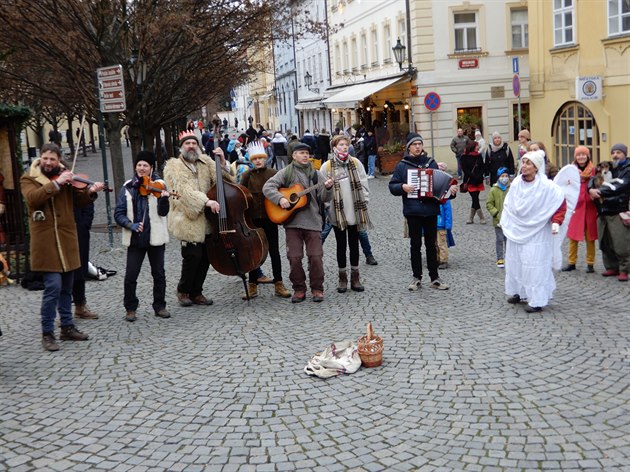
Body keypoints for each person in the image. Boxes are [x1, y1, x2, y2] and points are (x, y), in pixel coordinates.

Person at [20, 143, 105, 351]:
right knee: (53, 288)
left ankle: (67, 327)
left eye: (53, 159)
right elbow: (33, 199)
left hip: (66, 241)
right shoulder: (28, 178)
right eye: (45, 158)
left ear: (59, 160)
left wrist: (90, 192)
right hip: (46, 244)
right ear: (40, 158)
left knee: (67, 287)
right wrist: (56, 183)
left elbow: (78, 200)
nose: (48, 162)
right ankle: (47, 333)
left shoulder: (67, 178)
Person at [163, 130, 233, 307]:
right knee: (192, 256)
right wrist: (206, 201)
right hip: (187, 216)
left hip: (208, 218)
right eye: (188, 143)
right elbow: (183, 191)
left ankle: (197, 292)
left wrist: (223, 162)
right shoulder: (173, 166)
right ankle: (183, 290)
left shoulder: (206, 161)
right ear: (182, 147)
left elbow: (225, 180)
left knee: (206, 257)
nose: (191, 146)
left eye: (194, 143)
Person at [263, 143, 334, 303]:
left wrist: (329, 188)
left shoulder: (316, 175)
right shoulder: (286, 173)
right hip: (292, 223)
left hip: (313, 222)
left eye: (307, 153)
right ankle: (299, 289)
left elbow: (325, 198)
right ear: (294, 155)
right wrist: (280, 198)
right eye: (301, 153)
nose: (305, 156)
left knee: (316, 257)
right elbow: (268, 187)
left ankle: (317, 288)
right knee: (294, 258)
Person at [500, 150, 567, 313]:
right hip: (517, 230)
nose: (524, 166)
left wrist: (556, 222)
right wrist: (506, 220)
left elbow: (559, 202)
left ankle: (537, 300)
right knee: (515, 262)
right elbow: (509, 204)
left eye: (528, 163)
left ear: (536, 167)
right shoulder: (516, 183)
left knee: (534, 265)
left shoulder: (547, 186)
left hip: (537, 232)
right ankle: (518, 292)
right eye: (523, 162)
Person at [389, 134, 457, 291]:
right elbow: (393, 186)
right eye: (415, 144)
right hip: (413, 211)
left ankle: (435, 277)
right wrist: (402, 187)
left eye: (420, 144)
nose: (418, 147)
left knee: (431, 245)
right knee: (415, 245)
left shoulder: (430, 163)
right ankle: (416, 277)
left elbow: (441, 189)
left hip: (431, 210)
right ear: (409, 147)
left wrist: (451, 191)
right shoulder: (402, 166)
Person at [114, 151, 171, 322]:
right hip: (135, 238)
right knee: (131, 275)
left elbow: (164, 212)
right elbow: (119, 213)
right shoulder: (128, 187)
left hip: (155, 237)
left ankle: (160, 306)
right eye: (139, 165)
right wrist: (131, 225)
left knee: (159, 274)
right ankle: (130, 308)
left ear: (151, 168)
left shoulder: (159, 186)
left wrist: (164, 199)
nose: (142, 168)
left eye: (145, 165)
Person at [239, 142, 291, 299]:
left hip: (270, 218)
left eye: (260, 158)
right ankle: (252, 285)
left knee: (274, 251)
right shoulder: (246, 176)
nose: (258, 161)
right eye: (255, 159)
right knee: (253, 252)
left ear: (265, 158)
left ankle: (279, 283)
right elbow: (242, 195)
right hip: (253, 220)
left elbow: (283, 191)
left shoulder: (273, 173)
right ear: (251, 160)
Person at [321, 135, 371, 293]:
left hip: (355, 210)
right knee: (341, 245)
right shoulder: (327, 166)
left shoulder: (356, 163)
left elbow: (364, 183)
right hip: (338, 213)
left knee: (354, 244)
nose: (344, 147)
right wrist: (329, 206)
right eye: (340, 144)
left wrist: (365, 202)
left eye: (346, 145)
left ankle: (355, 278)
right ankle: (342, 278)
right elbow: (322, 190)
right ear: (334, 147)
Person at [588, 143, 630, 282]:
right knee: (605, 242)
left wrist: (599, 191)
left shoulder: (627, 169)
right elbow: (592, 179)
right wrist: (590, 190)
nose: (615, 155)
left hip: (618, 209)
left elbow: (620, 186)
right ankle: (612, 267)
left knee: (621, 242)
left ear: (624, 153)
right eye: (613, 152)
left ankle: (624, 269)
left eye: (619, 152)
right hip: (602, 210)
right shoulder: (607, 167)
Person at [562, 146, 598, 273]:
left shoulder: (593, 170)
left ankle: (590, 263)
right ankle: (571, 262)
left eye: (583, 154)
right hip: (575, 207)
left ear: (588, 156)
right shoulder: (571, 170)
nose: (581, 157)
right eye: (578, 155)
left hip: (590, 207)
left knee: (590, 237)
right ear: (575, 157)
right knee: (572, 236)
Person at [72, 202, 98, 320]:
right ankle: (64, 312)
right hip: (61, 229)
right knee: (64, 273)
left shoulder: (79, 186)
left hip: (80, 228)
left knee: (80, 270)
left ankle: (80, 306)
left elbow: (87, 198)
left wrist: (85, 223)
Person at [486, 167, 511, 268]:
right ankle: (500, 258)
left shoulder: (512, 188)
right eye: (502, 176)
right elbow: (489, 204)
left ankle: (510, 257)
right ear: (498, 177)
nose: (504, 178)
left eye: (506, 176)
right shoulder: (493, 190)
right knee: (500, 239)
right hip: (498, 220)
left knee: (509, 240)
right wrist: (495, 213)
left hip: (510, 220)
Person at [461, 140, 486, 224]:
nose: (478, 147)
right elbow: (465, 169)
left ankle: (471, 218)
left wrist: (480, 175)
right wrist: (473, 175)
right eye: (476, 146)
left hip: (478, 181)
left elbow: (482, 166)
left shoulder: (478, 156)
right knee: (475, 198)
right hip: (470, 181)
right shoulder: (464, 157)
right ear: (472, 147)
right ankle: (481, 217)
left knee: (475, 198)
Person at [436, 163, 454, 269]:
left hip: (441, 224)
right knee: (434, 244)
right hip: (432, 223)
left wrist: (448, 225)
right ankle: (436, 258)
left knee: (442, 243)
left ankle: (443, 260)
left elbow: (448, 211)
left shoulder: (444, 196)